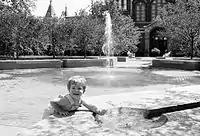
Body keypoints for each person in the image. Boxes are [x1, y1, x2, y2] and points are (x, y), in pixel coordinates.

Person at [42, 75, 107, 119]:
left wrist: (99, 111)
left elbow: (90, 106)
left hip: (62, 104)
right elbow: (52, 102)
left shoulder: (80, 100)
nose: (76, 90)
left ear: (83, 91)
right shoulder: (67, 100)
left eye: (79, 88)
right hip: (51, 110)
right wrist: (60, 110)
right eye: (73, 88)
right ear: (69, 90)